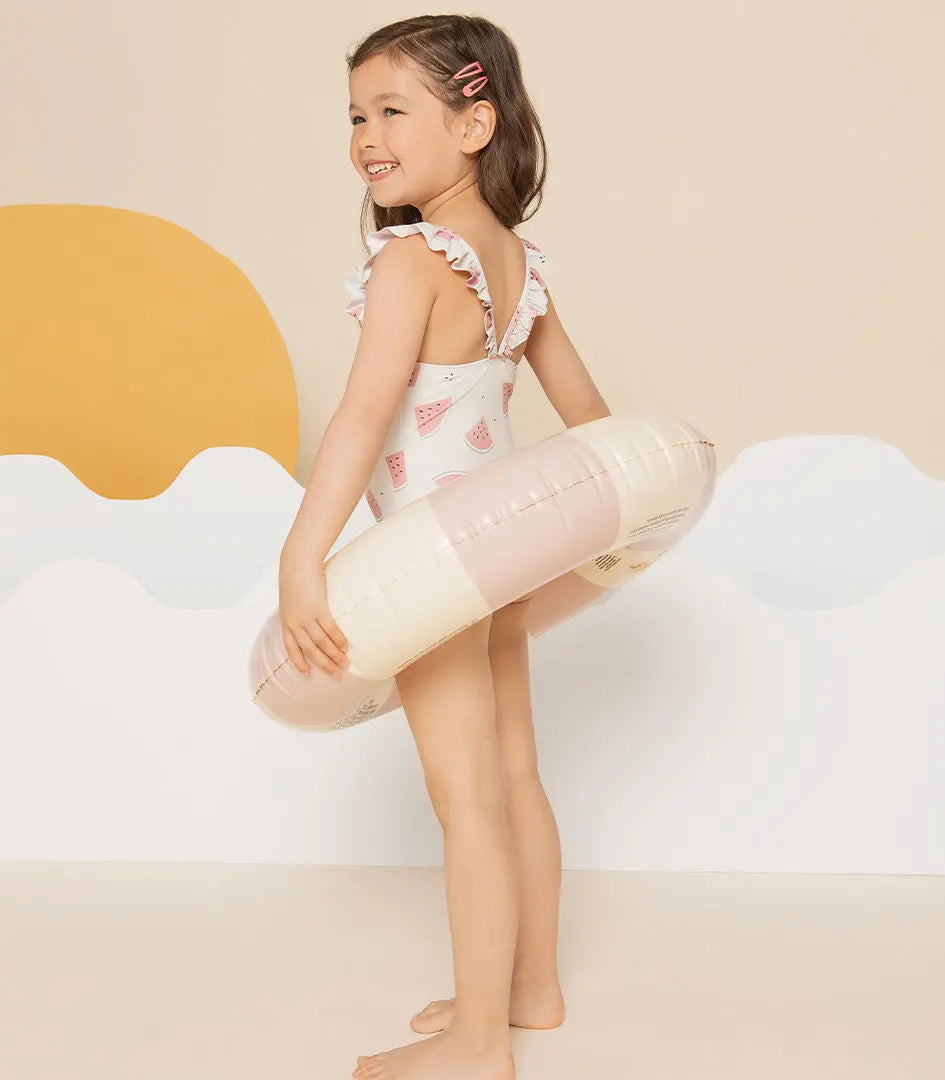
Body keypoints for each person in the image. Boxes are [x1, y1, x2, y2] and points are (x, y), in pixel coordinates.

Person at [276, 14, 611, 1080]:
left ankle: (479, 1044)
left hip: (436, 565)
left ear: (475, 124)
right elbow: (592, 423)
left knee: (465, 797)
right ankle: (530, 989)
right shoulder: (515, 263)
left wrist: (301, 559)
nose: (367, 138)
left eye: (392, 111)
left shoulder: (412, 263)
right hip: (502, 551)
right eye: (355, 117)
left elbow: (362, 418)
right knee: (514, 774)